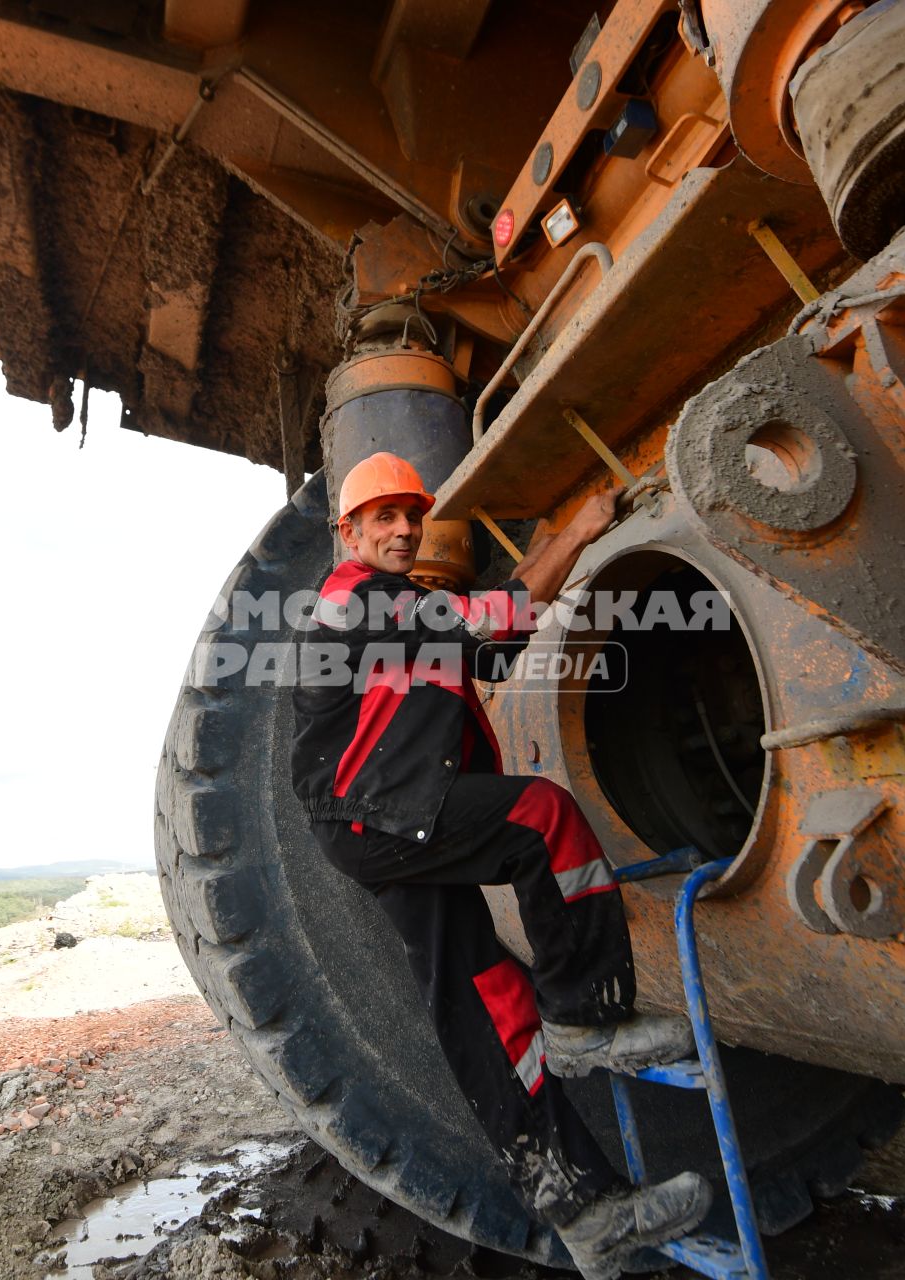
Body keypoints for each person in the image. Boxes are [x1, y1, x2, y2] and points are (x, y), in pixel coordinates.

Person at [290, 452, 712, 1279]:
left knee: (485, 1004)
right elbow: (489, 616)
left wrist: (546, 573)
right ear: (348, 532)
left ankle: (588, 1213)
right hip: (375, 812)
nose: (405, 529)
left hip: (382, 816)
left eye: (413, 515)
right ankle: (588, 1012)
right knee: (539, 817)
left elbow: (490, 647)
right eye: (384, 517)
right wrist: (578, 531)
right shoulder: (352, 599)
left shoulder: (404, 612)